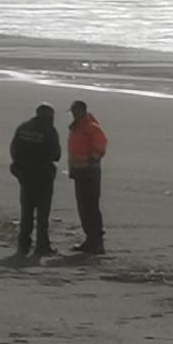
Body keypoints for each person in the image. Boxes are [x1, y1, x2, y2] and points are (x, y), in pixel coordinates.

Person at [5, 103, 62, 257]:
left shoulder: (23, 127)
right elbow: (56, 154)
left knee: (27, 211)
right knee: (43, 214)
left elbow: (14, 150)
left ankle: (23, 245)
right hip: (43, 175)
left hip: (25, 175)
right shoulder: (49, 131)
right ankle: (42, 245)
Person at [65, 99, 109, 255]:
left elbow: (101, 144)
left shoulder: (90, 127)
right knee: (83, 207)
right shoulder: (78, 127)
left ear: (82, 111)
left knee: (90, 207)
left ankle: (96, 241)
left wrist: (93, 159)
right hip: (79, 172)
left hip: (89, 173)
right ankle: (90, 239)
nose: (73, 115)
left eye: (75, 112)